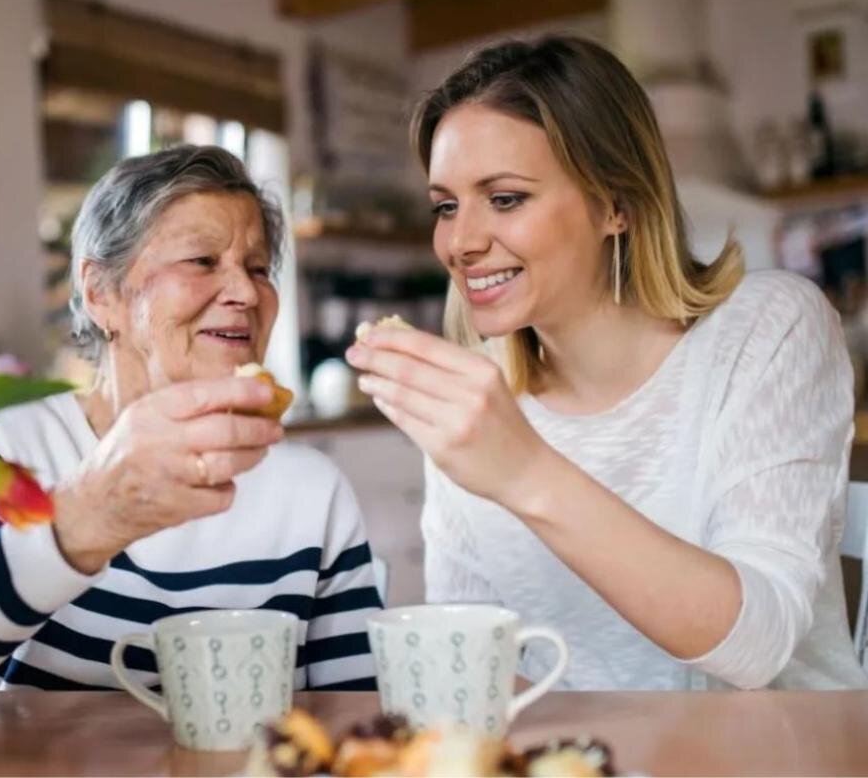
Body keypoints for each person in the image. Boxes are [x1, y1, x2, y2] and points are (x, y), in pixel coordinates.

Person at [347, 35, 867, 690]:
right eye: (446, 206)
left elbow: (756, 646)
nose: (461, 241)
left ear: (615, 204)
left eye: (505, 198)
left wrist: (524, 470)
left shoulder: (769, 328)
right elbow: (478, 661)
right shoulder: (479, 392)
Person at [0, 146, 382, 722]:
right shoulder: (12, 447)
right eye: (202, 260)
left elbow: (359, 723)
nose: (246, 293)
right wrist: (84, 522)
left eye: (257, 268)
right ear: (102, 293)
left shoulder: (311, 491)